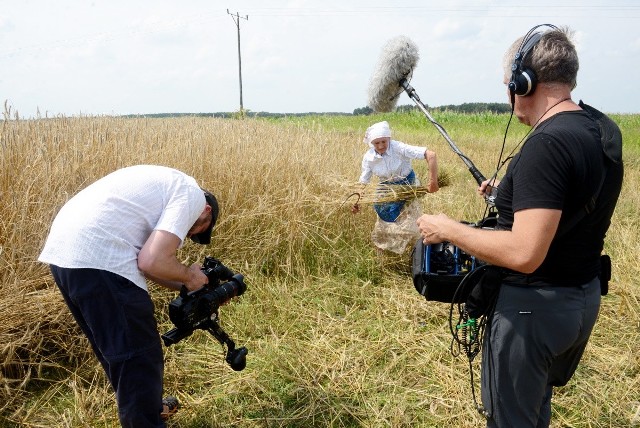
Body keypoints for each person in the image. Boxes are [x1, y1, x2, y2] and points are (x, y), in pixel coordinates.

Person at [416, 25, 623, 427]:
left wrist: (448, 228)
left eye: (508, 84)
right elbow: (572, 200)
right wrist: (511, 194)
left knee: (512, 419)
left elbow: (525, 254)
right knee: (532, 407)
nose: (508, 96)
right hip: (580, 300)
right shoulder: (598, 128)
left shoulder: (547, 145)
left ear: (523, 82)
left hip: (533, 312)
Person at [38, 165, 220, 427]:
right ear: (207, 211)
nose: (191, 234)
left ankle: (148, 410)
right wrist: (191, 277)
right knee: (139, 357)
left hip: (66, 255)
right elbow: (152, 260)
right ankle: (144, 420)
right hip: (99, 257)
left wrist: (186, 286)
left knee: (121, 354)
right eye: (199, 230)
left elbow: (146, 264)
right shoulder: (191, 194)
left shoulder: (165, 185)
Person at [352, 120, 439, 254]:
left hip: (407, 185)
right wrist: (357, 201)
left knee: (409, 220)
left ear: (389, 139)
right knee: (383, 216)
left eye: (384, 142)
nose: (381, 146)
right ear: (371, 143)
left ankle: (415, 251)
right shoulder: (369, 158)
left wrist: (433, 182)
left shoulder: (399, 148)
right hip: (386, 187)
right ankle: (385, 249)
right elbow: (363, 181)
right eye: (376, 143)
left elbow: (431, 155)